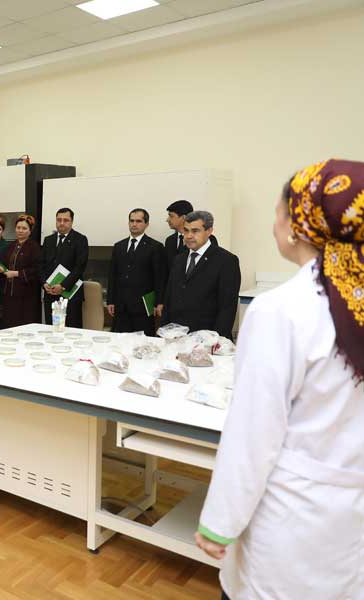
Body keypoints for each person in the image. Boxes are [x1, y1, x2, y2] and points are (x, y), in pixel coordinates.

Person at [195, 159, 364, 600]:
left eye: (278, 212)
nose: (274, 224)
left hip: (293, 521)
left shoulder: (282, 310)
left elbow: (254, 433)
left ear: (299, 226)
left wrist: (219, 523)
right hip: (350, 520)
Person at [161, 210, 240, 339]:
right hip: (176, 338)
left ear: (209, 231)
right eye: (186, 230)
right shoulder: (179, 259)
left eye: (195, 231)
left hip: (207, 339)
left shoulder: (226, 261)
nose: (189, 236)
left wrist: (215, 341)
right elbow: (169, 298)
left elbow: (227, 308)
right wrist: (164, 332)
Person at [106, 208, 166, 336]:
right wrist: (110, 300)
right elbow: (112, 275)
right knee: (119, 340)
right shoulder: (119, 246)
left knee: (143, 342)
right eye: (131, 221)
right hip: (121, 306)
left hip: (143, 307)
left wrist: (158, 302)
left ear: (146, 224)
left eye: (138, 221)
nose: (134, 224)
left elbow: (159, 278)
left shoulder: (155, 247)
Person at [40, 208, 89, 328]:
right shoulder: (48, 240)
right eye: (59, 220)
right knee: (51, 329)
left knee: (71, 330)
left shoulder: (80, 239)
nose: (61, 223)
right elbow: (41, 265)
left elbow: (79, 267)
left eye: (65, 220)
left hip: (70, 294)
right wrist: (44, 283)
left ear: (71, 222)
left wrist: (62, 286)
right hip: (50, 294)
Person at [0, 214, 41, 327]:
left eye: (24, 228)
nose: (20, 231)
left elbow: (37, 270)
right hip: (9, 295)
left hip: (26, 296)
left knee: (24, 326)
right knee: (9, 325)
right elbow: (3, 264)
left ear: (30, 231)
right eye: (18, 228)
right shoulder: (10, 246)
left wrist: (17, 273)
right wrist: (0, 269)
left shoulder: (34, 247)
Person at [163, 199, 218, 280]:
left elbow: (213, 268)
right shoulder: (170, 240)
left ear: (183, 218)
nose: (167, 220)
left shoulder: (208, 239)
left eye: (171, 216)